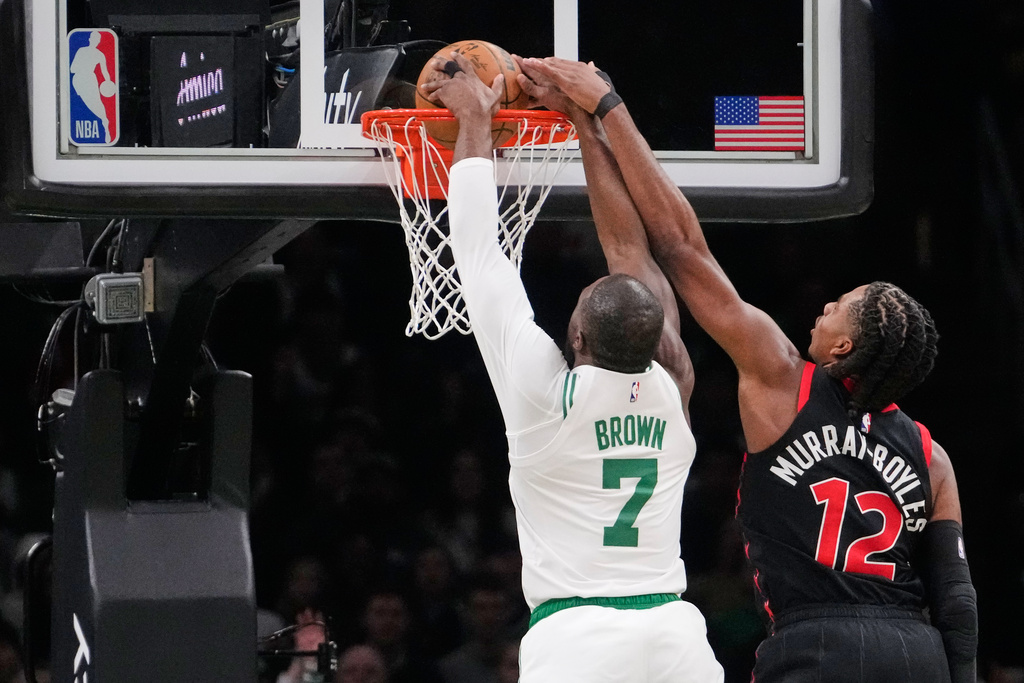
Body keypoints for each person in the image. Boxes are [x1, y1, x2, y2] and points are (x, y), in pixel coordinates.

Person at [522, 57, 979, 683]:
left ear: (844, 350)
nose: (825, 304)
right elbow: (956, 596)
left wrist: (604, 110)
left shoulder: (783, 379)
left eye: (840, 306)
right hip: (913, 650)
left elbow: (674, 249)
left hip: (817, 641)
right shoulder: (932, 456)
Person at [418, 52, 723, 682]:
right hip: (674, 636)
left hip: (579, 639)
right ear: (657, 336)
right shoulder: (674, 384)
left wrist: (476, 116)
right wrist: (587, 123)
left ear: (576, 333)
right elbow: (628, 251)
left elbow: (483, 253)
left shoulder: (545, 398)